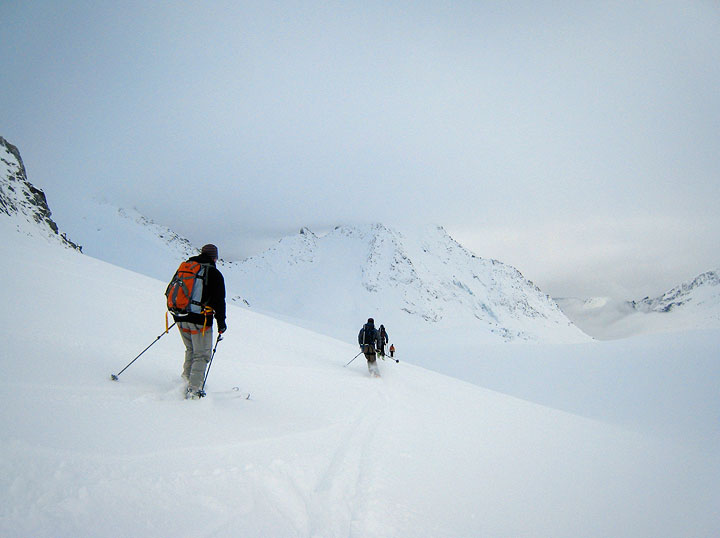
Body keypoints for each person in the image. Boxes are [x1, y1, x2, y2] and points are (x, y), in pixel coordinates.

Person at [173, 244, 227, 399]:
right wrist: (221, 323)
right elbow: (219, 301)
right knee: (201, 355)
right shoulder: (213, 273)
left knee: (191, 350)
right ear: (214, 257)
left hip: (180, 316)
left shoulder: (186, 267)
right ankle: (194, 390)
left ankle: (185, 382)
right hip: (200, 321)